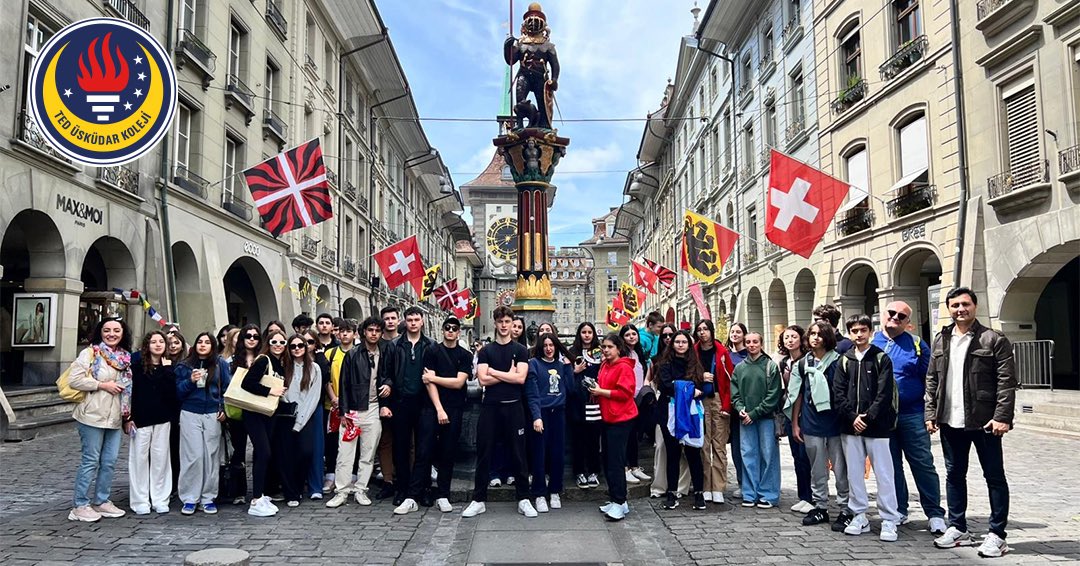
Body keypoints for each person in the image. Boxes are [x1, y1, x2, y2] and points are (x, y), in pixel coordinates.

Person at [925, 287, 1017, 558]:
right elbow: (932, 379)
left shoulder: (993, 339)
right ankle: (958, 527)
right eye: (955, 305)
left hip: (984, 420)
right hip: (950, 420)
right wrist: (931, 414)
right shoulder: (942, 339)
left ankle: (997, 534)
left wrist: (1002, 417)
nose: (960, 309)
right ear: (949, 309)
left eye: (965, 304)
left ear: (974, 306)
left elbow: (1006, 382)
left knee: (994, 477)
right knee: (954, 475)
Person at [871, 301, 947, 534]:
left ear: (908, 322)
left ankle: (934, 513)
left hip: (912, 414)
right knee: (890, 466)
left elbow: (931, 379)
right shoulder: (872, 342)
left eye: (901, 316)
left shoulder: (917, 344)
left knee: (922, 464)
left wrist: (930, 413)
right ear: (883, 315)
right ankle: (898, 510)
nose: (895, 317)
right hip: (882, 418)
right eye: (891, 313)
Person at [462, 306, 535, 519]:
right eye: (500, 321)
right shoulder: (486, 351)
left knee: (519, 454)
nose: (504, 325)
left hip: (514, 406)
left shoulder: (521, 351)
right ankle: (478, 499)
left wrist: (494, 372)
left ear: (513, 324)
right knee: (484, 453)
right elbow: (483, 380)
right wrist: (505, 373)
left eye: (507, 322)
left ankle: (523, 498)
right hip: (491, 407)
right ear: (495, 323)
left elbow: (520, 378)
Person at [833, 314, 901, 541]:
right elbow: (838, 393)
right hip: (850, 426)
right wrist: (853, 417)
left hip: (877, 426)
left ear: (870, 331)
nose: (859, 334)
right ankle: (859, 514)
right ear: (849, 333)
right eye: (854, 331)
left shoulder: (881, 358)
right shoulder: (844, 359)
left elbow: (884, 394)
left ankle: (889, 518)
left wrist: (868, 416)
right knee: (854, 473)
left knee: (884, 473)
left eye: (863, 330)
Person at [67, 318, 132, 522]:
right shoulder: (90, 353)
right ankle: (80, 504)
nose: (111, 334)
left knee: (110, 461)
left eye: (116, 330)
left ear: (123, 333)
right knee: (90, 460)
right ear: (100, 332)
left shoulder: (126, 357)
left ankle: (102, 500)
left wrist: (127, 415)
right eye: (107, 330)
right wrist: (102, 385)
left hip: (114, 416)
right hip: (92, 414)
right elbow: (74, 379)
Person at [788, 321, 851, 532]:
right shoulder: (803, 363)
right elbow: (797, 394)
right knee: (817, 468)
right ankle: (820, 506)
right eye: (812, 333)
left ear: (828, 337)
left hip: (835, 422)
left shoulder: (839, 361)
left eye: (820, 334)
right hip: (811, 422)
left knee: (841, 468)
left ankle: (845, 509)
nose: (815, 337)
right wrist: (795, 423)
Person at [326, 317, 391, 507]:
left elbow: (389, 375)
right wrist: (344, 412)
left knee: (368, 453)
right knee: (345, 453)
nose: (373, 334)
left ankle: (361, 489)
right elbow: (344, 385)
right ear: (363, 332)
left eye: (377, 331)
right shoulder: (353, 354)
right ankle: (341, 491)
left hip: (373, 407)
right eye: (370, 330)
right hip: (353, 408)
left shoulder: (385, 352)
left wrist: (388, 384)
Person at [382, 306, 434, 514]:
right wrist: (387, 392)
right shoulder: (395, 345)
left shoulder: (430, 345)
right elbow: (386, 373)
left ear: (422, 322)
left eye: (416, 319)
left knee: (424, 448)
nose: (413, 323)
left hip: (424, 402)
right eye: (410, 319)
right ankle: (402, 489)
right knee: (401, 448)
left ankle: (424, 488)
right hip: (401, 402)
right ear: (405, 322)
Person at [175, 332, 231, 515]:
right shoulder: (184, 365)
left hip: (212, 413)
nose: (203, 345)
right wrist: (190, 381)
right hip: (190, 411)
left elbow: (226, 389)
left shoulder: (220, 364)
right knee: (193, 456)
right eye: (200, 341)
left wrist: (223, 408)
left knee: (211, 455)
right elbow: (177, 392)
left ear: (213, 346)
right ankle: (190, 497)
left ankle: (208, 497)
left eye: (207, 342)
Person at [421, 316, 473, 513]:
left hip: (455, 408)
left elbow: (459, 383)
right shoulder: (432, 350)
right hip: (432, 407)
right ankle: (422, 491)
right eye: (447, 328)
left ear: (459, 332)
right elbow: (428, 383)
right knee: (425, 450)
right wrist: (439, 408)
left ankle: (443, 494)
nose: (450, 331)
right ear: (443, 330)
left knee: (447, 452)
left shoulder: (465, 355)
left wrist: (434, 377)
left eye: (454, 328)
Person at [655, 330, 710, 510]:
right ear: (672, 345)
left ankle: (699, 494)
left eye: (684, 342)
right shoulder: (664, 363)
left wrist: (692, 390)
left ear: (688, 344)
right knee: (673, 454)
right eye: (677, 342)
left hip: (692, 412)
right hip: (669, 411)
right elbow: (666, 385)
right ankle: (671, 493)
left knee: (694, 453)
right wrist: (689, 389)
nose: (680, 344)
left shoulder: (695, 364)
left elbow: (704, 387)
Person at [127, 330, 178, 515]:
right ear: (147, 345)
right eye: (154, 341)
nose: (158, 344)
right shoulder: (137, 366)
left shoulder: (169, 367)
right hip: (141, 419)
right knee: (139, 459)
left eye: (161, 342)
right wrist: (129, 417)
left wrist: (167, 370)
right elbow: (132, 393)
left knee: (161, 459)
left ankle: (160, 498)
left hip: (163, 418)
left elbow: (171, 393)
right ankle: (140, 499)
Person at [589, 332, 638, 521]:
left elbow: (626, 392)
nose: (606, 350)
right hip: (608, 416)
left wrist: (601, 391)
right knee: (609, 459)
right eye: (604, 347)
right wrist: (596, 388)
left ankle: (619, 500)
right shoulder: (605, 365)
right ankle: (618, 499)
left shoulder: (624, 367)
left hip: (621, 418)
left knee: (616, 461)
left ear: (618, 349)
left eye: (610, 347)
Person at [241, 329, 289, 517]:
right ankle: (255, 500)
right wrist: (270, 391)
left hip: (269, 413)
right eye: (274, 342)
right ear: (268, 343)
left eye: (282, 343)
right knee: (263, 452)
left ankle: (260, 495)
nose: (278, 345)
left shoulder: (280, 363)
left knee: (264, 454)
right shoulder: (263, 360)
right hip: (254, 412)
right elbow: (247, 383)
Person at [732, 331, 782, 510]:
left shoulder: (770, 366)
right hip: (745, 419)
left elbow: (773, 395)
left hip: (765, 418)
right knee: (748, 455)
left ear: (761, 344)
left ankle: (768, 494)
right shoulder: (739, 368)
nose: (752, 345)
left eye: (755, 341)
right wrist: (741, 410)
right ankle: (749, 493)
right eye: (748, 342)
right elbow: (734, 393)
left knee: (768, 456)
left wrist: (754, 413)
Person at [526, 332, 573, 513]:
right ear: (540, 347)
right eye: (545, 345)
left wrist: (568, 368)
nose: (548, 348)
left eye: (551, 345)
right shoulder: (534, 365)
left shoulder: (561, 366)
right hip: (542, 413)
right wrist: (536, 416)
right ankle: (539, 493)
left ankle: (555, 490)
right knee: (539, 454)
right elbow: (532, 393)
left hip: (558, 413)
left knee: (557, 454)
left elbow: (570, 389)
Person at [275, 334, 322, 507]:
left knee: (305, 452)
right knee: (286, 456)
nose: (297, 349)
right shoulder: (283, 366)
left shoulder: (314, 368)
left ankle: (299, 486)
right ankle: (290, 492)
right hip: (285, 416)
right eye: (293, 346)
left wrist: (300, 420)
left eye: (300, 345)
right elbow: (280, 391)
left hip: (305, 417)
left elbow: (313, 396)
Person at [694, 319, 736, 504]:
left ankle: (718, 487)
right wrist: (700, 376)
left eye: (705, 329)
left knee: (718, 445)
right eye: (699, 329)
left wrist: (727, 406)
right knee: (703, 445)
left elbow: (729, 381)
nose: (702, 332)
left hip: (718, 398)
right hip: (700, 399)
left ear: (711, 332)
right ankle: (705, 486)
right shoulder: (693, 352)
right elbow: (687, 375)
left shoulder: (722, 352)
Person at [777, 325, 814, 514]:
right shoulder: (783, 362)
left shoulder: (808, 360)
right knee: (796, 456)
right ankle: (803, 496)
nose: (790, 340)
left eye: (793, 336)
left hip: (806, 414)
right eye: (786, 337)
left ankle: (812, 496)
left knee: (806, 456)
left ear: (801, 339)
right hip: (789, 413)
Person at [648, 324, 688, 499]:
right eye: (664, 335)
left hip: (685, 408)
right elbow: (651, 381)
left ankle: (681, 487)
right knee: (661, 447)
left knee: (686, 449)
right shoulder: (656, 360)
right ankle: (659, 486)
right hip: (663, 406)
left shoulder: (689, 359)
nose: (668, 338)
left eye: (671, 335)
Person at [225, 324, 262, 504]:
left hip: (258, 409)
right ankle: (238, 491)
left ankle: (259, 490)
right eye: (248, 336)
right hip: (237, 410)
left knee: (260, 450)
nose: (252, 339)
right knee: (238, 451)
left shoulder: (263, 359)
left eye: (255, 336)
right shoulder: (230, 361)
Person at [322, 319, 357, 494]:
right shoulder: (330, 353)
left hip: (353, 406)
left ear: (355, 334)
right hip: (333, 405)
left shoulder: (359, 353)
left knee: (351, 440)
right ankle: (330, 475)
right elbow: (326, 379)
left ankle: (352, 475)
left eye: (348, 331)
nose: (344, 334)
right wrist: (334, 397)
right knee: (332, 441)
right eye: (342, 331)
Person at [568, 322, 603, 490]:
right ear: (579, 334)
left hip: (594, 400)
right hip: (576, 401)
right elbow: (564, 375)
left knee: (593, 438)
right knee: (578, 438)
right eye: (584, 332)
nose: (587, 335)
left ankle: (594, 471)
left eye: (590, 332)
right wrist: (575, 370)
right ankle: (579, 472)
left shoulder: (600, 352)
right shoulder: (571, 352)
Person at [619, 324, 651, 485]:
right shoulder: (622, 354)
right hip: (626, 400)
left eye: (634, 334)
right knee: (626, 434)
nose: (632, 337)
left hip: (638, 400)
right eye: (628, 335)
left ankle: (635, 466)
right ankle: (624, 468)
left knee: (635, 435)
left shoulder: (639, 353)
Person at [302, 329, 331, 501]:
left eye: (310, 342)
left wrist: (320, 356)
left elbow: (326, 377)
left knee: (317, 448)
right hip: (297, 408)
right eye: (302, 342)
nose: (306, 346)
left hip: (316, 407)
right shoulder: (293, 360)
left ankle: (315, 486)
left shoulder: (319, 360)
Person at [376, 306, 400, 500]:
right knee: (385, 441)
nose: (390, 321)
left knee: (409, 442)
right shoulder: (377, 344)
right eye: (387, 318)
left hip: (404, 399)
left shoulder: (405, 342)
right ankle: (388, 480)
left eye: (393, 318)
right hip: (383, 399)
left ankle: (406, 478)